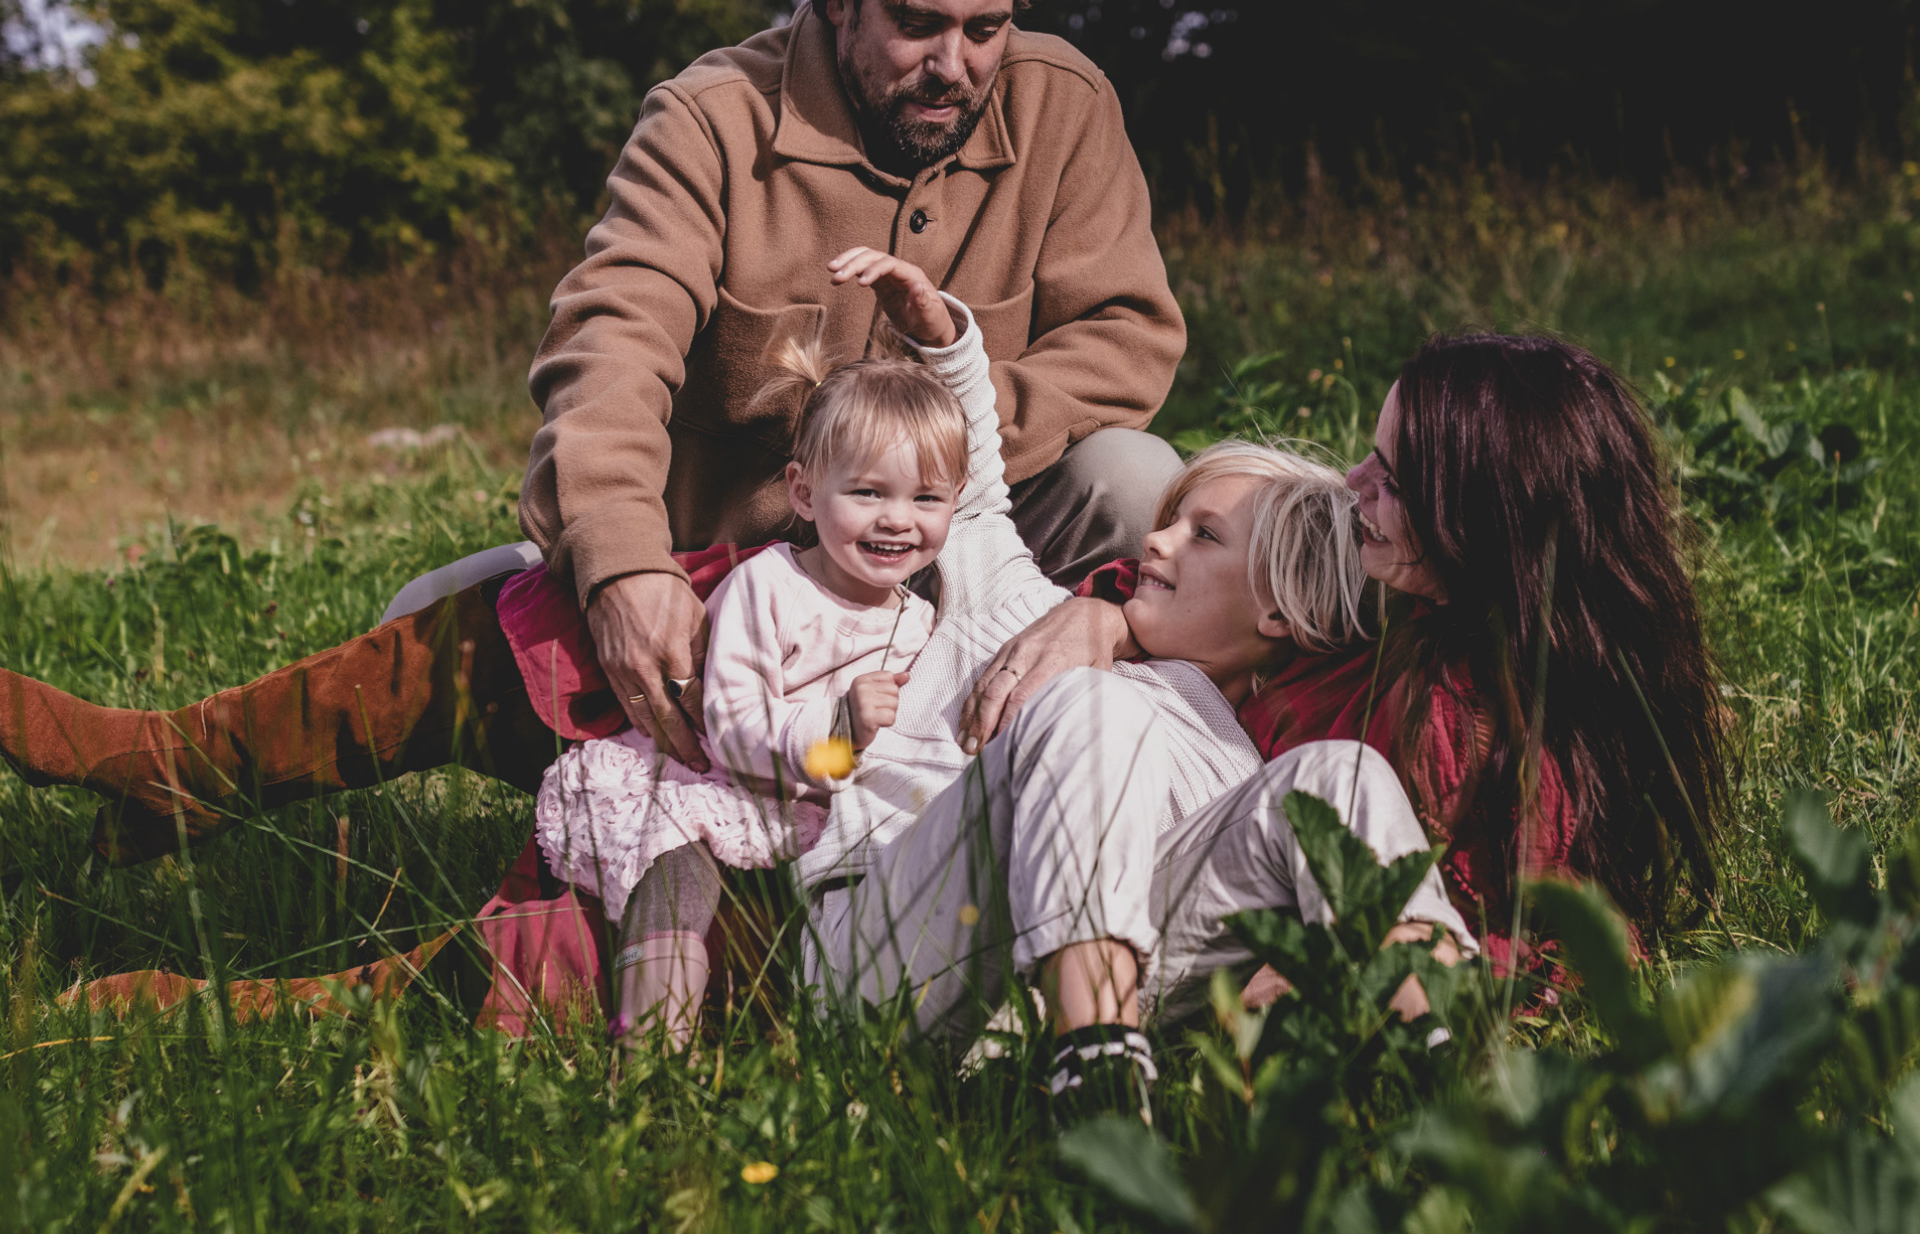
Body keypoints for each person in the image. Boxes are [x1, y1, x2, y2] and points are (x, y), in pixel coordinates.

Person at [0, 0, 1186, 865]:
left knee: (1136, 479)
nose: (959, 63)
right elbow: (608, 347)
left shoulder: (1065, 107)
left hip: (966, 565)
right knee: (426, 621)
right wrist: (621, 564)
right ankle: (179, 777)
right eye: (920, 23)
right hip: (718, 585)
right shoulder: (710, 118)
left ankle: (999, 797)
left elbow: (1130, 336)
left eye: (990, 26)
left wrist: (914, 458)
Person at [787, 304, 1478, 1122]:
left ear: (1279, 615)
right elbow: (970, 498)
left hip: (1036, 1000)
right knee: (1090, 702)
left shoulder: (1234, 767)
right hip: (882, 950)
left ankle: (1438, 1046)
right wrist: (946, 342)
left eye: (1204, 537)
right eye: (1168, 524)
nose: (1155, 544)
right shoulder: (1024, 608)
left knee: (1343, 777)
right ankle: (1099, 1073)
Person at [953, 334, 1730, 991]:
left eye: (1391, 480)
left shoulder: (1479, 731)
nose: (1354, 484)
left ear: (1480, 524)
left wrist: (1341, 974)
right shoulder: (1390, 603)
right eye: (1372, 453)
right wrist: (1111, 611)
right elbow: (1231, 592)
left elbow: (1554, 942)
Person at [536, 248, 968, 1051]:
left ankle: (844, 1019)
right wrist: (834, 728)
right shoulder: (769, 588)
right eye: (867, 492)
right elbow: (730, 726)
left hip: (834, 830)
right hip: (733, 790)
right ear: (805, 492)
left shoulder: (924, 617)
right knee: (677, 862)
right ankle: (651, 1045)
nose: (897, 521)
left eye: (927, 499)